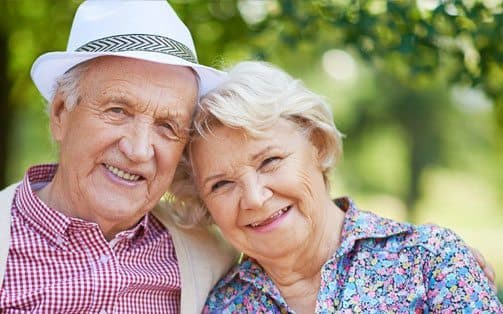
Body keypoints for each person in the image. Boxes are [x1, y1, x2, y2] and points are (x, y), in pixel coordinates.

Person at [169, 61, 503, 313]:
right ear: (202, 200)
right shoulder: (221, 306)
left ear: (317, 144)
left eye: (270, 161)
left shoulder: (430, 261)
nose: (255, 198)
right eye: (222, 184)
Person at [0, 1, 237, 313]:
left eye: (167, 126)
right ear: (60, 114)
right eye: (118, 110)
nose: (138, 150)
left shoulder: (211, 259)